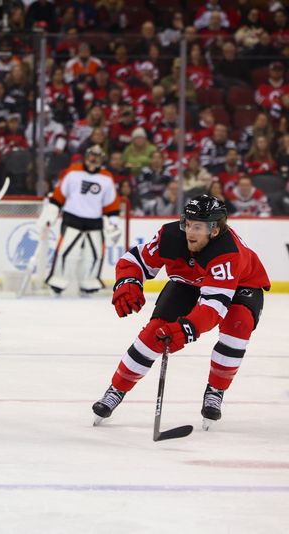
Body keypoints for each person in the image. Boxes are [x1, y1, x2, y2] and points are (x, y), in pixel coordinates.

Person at [93, 195, 270, 430]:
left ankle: (216, 389)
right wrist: (128, 280)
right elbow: (134, 259)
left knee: (237, 327)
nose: (189, 232)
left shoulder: (227, 253)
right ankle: (116, 389)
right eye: (187, 224)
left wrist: (188, 329)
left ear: (214, 230)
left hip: (240, 286)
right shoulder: (170, 236)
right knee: (154, 334)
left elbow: (213, 307)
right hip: (188, 282)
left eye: (197, 227)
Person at [39, 145, 121, 295]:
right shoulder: (73, 172)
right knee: (66, 252)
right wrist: (51, 213)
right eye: (92, 154)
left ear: (102, 158)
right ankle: (57, 282)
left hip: (94, 221)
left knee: (95, 254)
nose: (94, 158)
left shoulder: (106, 177)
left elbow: (111, 204)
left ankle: (89, 284)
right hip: (72, 218)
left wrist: (113, 222)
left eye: (97, 155)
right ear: (86, 155)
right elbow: (59, 195)